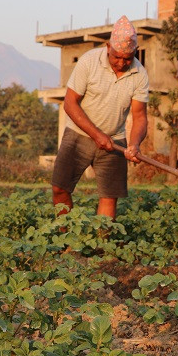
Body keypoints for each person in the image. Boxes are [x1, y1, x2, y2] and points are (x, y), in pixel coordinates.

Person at [51, 15, 149, 219]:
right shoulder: (89, 61)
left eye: (127, 58)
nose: (121, 63)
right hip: (78, 135)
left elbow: (139, 117)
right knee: (60, 189)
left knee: (109, 196)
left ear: (134, 53)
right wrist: (96, 135)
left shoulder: (140, 74)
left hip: (115, 138)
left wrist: (135, 144)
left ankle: (102, 246)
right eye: (117, 57)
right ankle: (65, 239)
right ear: (108, 47)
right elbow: (70, 103)